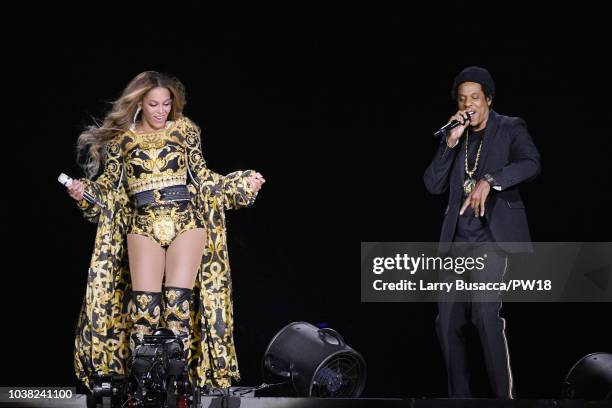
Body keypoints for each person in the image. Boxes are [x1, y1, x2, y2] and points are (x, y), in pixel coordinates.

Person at [67, 71, 265, 391]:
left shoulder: (185, 130)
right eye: (154, 104)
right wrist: (83, 191)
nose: (161, 110)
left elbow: (203, 179)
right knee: (144, 311)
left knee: (178, 306)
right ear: (139, 104)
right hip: (142, 223)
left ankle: (177, 384)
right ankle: (146, 386)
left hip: (185, 220)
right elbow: (109, 191)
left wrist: (240, 184)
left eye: (166, 103)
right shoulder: (122, 139)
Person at [424, 66, 541, 399]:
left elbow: (531, 163)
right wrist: (449, 142)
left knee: (485, 316)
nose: (469, 104)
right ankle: (459, 399)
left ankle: (503, 400)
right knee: (445, 323)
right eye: (463, 99)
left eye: (475, 97)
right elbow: (432, 184)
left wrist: (490, 180)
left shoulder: (510, 127)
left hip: (491, 240)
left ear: (488, 99)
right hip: (456, 242)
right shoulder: (455, 137)